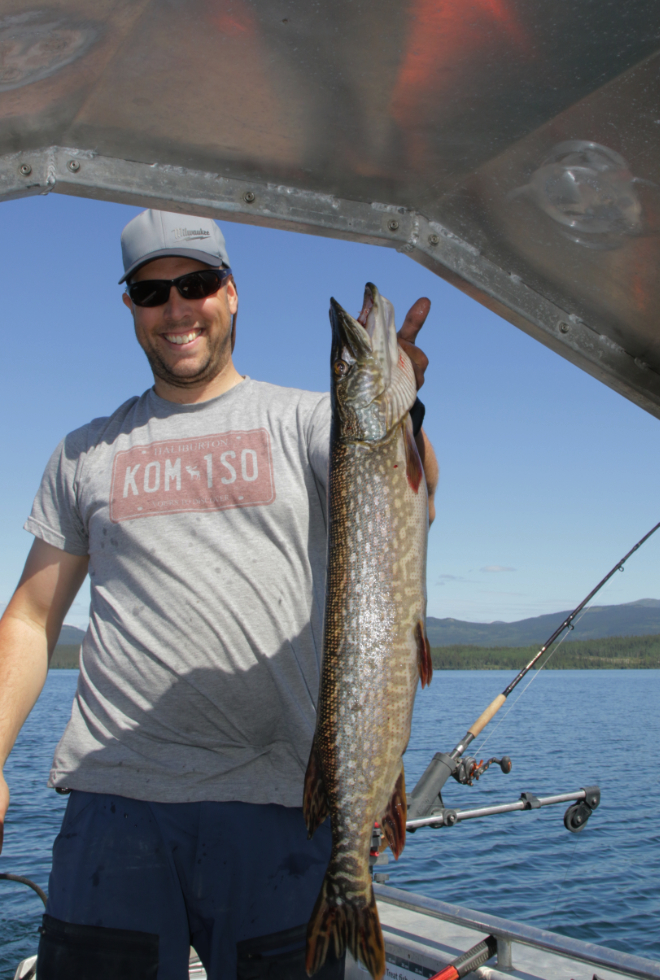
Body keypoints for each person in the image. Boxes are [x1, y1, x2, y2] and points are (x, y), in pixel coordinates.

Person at [0, 210, 438, 980]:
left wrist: (403, 407)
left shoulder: (309, 421)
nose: (177, 308)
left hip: (279, 803)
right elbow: (32, 619)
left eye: (196, 284)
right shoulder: (83, 451)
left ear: (231, 294)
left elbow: (412, 498)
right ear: (131, 305)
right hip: (115, 801)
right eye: (151, 290)